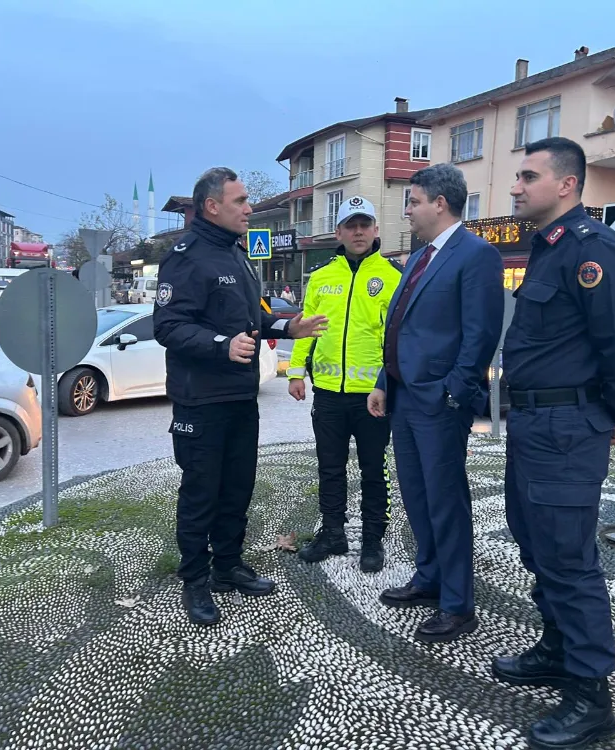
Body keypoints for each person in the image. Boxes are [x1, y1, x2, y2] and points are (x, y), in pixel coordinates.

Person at [493, 137, 615, 750]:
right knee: (536, 544)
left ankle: (590, 696)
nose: (516, 187)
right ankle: (558, 649)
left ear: (566, 185)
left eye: (528, 176)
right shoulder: (548, 249)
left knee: (568, 558)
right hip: (534, 424)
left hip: (565, 428)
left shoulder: (594, 250)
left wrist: (605, 414)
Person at [154, 167, 328, 627]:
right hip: (200, 401)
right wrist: (221, 345)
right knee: (201, 494)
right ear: (212, 206)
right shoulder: (186, 257)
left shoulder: (236, 254)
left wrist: (288, 327)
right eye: (241, 201)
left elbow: (253, 319)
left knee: (237, 489)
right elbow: (168, 326)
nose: (249, 208)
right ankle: (195, 580)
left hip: (239, 398)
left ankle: (228, 566)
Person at [368, 163, 504, 643]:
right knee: (417, 495)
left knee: (446, 501)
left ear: (440, 203)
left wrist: (452, 393)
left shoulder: (476, 255)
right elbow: (399, 326)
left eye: (413, 202)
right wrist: (384, 381)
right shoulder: (419, 257)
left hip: (439, 404)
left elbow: (481, 334)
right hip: (404, 397)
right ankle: (428, 577)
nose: (407, 210)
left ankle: (457, 604)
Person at [288, 196, 402, 573]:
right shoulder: (321, 277)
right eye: (350, 225)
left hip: (373, 396)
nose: (358, 232)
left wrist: (390, 384)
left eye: (364, 224)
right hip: (328, 394)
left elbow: (397, 338)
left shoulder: (392, 276)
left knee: (374, 470)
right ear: (338, 232)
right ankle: (333, 534)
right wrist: (295, 371)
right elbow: (306, 328)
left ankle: (372, 539)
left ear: (375, 229)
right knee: (330, 468)